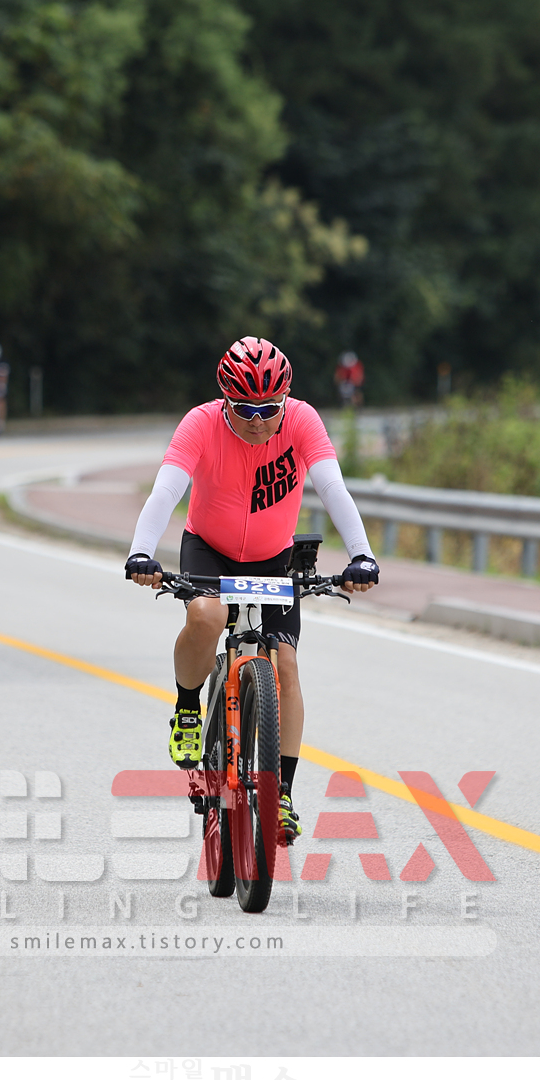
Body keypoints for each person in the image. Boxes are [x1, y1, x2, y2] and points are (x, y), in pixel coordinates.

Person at [123, 336, 380, 845]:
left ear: (285, 398)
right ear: (225, 401)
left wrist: (362, 555)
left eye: (269, 408)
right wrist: (141, 552)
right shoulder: (200, 423)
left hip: (273, 556)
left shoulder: (302, 420)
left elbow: (333, 487)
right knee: (207, 617)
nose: (259, 421)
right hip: (209, 549)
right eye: (245, 409)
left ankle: (281, 792)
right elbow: (167, 490)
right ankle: (189, 708)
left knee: (286, 667)